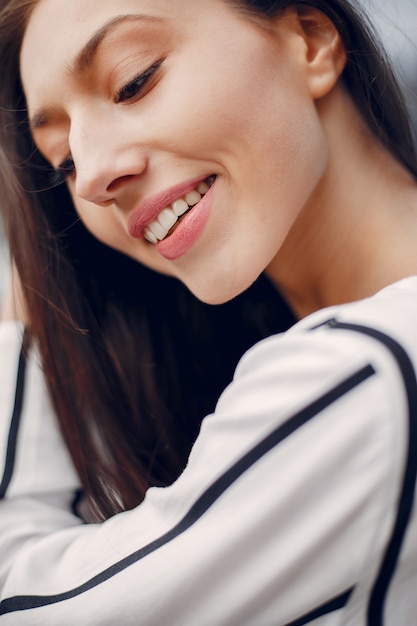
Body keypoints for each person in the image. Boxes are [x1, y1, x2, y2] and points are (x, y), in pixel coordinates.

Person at [0, 0, 416, 623]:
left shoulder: (371, 369)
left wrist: (26, 322)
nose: (90, 178)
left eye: (134, 80)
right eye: (63, 159)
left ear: (310, 39)